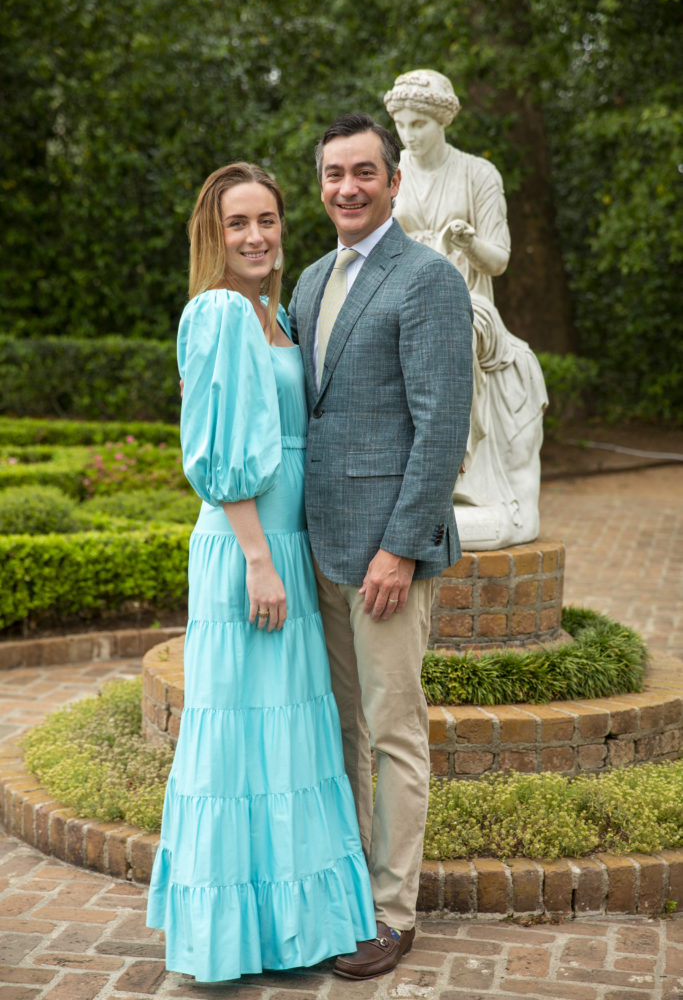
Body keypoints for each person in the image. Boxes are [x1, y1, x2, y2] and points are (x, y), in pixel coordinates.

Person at [146, 162, 376, 982]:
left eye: (267, 220)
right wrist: (256, 560)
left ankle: (287, 928)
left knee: (284, 740)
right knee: (240, 739)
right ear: (214, 235)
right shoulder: (218, 312)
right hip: (248, 547)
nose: (255, 236)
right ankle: (227, 938)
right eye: (237, 222)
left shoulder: (273, 314)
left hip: (285, 545)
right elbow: (215, 454)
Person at [288, 113, 472, 979]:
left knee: (393, 730)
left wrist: (400, 549)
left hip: (384, 557)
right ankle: (344, 894)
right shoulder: (309, 280)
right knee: (339, 731)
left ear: (394, 182)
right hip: (319, 548)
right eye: (334, 174)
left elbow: (442, 427)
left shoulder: (427, 278)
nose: (347, 187)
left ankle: (392, 914)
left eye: (364, 171)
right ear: (320, 185)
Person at [384, 69, 548, 551]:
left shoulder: (478, 174)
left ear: (442, 121)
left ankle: (457, 469)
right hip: (401, 298)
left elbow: (498, 260)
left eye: (419, 124)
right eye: (401, 124)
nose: (409, 135)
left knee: (452, 328)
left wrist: (469, 243)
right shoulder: (391, 174)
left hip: (468, 303)